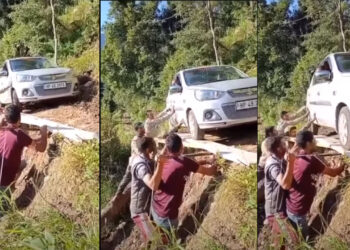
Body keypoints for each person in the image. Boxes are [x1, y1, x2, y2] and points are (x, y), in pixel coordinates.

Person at [151, 133, 217, 232]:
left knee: (160, 238)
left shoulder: (164, 160)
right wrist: (216, 163)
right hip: (167, 217)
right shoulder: (184, 162)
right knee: (170, 243)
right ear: (182, 146)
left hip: (156, 208)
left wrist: (206, 161)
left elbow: (189, 166)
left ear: (168, 149)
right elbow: (210, 172)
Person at [286, 131, 344, 241]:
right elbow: (332, 173)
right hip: (298, 211)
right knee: (303, 241)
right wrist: (343, 166)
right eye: (314, 140)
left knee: (300, 235)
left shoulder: (297, 157)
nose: (316, 142)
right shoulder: (310, 161)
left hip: (293, 207)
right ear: (308, 143)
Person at [0, 105, 47, 213]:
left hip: (3, 172)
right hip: (3, 184)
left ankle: (12, 186)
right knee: (4, 213)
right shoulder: (19, 135)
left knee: (23, 164)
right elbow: (42, 148)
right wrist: (43, 133)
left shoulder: (2, 131)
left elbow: (28, 141)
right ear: (19, 119)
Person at [264, 136, 299, 246]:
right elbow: (285, 184)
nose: (286, 146)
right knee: (295, 242)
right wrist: (291, 163)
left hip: (277, 209)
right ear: (278, 149)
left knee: (279, 243)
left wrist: (297, 144)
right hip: (276, 212)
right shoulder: (272, 165)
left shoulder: (277, 158)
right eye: (283, 145)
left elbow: (286, 158)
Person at [130, 137, 166, 243]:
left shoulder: (144, 159)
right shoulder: (140, 166)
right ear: (147, 150)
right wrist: (161, 163)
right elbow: (152, 185)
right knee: (157, 240)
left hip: (147, 208)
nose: (155, 148)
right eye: (153, 146)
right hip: (140, 212)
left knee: (153, 237)